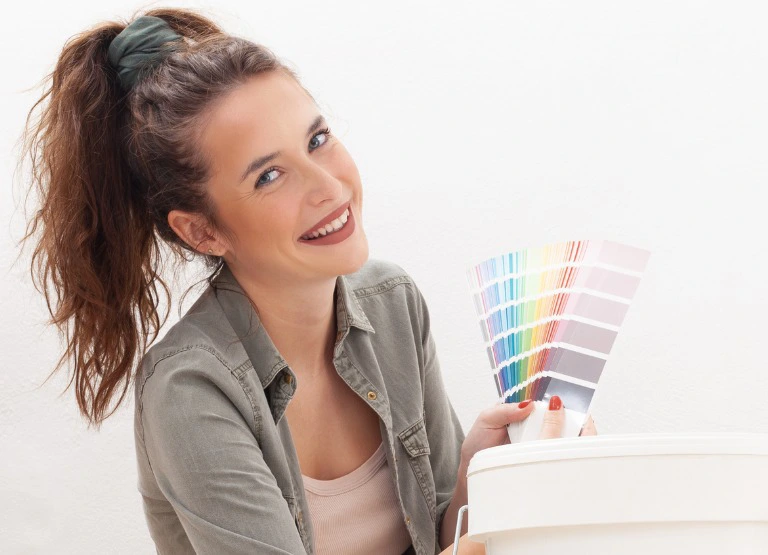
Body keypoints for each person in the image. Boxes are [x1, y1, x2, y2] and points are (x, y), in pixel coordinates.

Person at [19, 8, 597, 555]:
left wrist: (485, 472)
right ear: (201, 232)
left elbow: (441, 533)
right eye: (270, 176)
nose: (328, 185)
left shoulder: (393, 304)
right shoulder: (190, 389)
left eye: (317, 139)